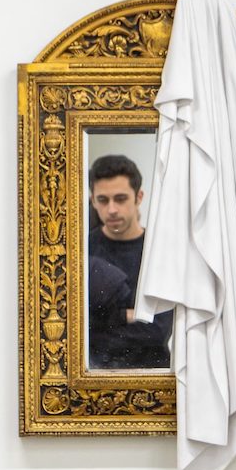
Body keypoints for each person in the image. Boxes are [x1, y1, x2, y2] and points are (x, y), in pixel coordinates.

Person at [85, 154, 173, 368]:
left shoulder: (161, 251)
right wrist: (127, 316)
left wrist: (104, 322)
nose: (112, 209)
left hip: (152, 374)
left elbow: (158, 330)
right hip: (94, 375)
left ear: (139, 197)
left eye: (121, 199)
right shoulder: (82, 249)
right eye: (103, 200)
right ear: (93, 200)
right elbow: (77, 327)